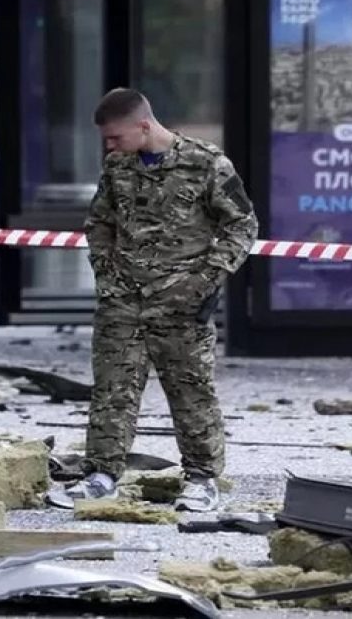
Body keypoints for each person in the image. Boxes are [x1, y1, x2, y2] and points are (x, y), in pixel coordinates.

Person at [47, 88, 259, 513]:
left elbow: (242, 226)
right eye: (107, 140)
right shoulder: (118, 166)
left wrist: (204, 280)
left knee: (191, 392)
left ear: (144, 125)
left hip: (181, 304)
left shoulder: (206, 164)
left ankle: (201, 480)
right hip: (122, 302)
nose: (110, 146)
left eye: (116, 137)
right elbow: (100, 223)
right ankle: (101, 475)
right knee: (112, 391)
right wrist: (106, 274)